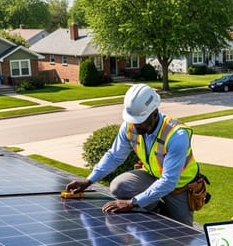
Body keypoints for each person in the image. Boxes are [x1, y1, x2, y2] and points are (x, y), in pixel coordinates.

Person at [66, 84, 204, 225]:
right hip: (152, 176)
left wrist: (132, 203)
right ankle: (157, 210)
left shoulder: (176, 135)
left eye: (140, 121)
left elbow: (169, 181)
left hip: (179, 187)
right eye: (133, 120)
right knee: (119, 186)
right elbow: (114, 156)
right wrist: (88, 181)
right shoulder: (129, 126)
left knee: (182, 233)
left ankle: (162, 209)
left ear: (155, 114)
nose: (136, 126)